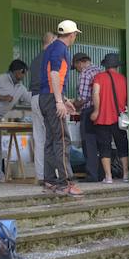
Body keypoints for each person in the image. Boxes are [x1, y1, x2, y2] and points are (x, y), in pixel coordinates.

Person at [39, 20, 83, 196]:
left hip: (45, 97)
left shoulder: (50, 47)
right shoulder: (60, 49)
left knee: (51, 139)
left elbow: (51, 75)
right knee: (63, 140)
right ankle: (66, 183)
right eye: (75, 35)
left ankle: (50, 180)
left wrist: (63, 98)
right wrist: (59, 101)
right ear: (72, 35)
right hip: (51, 99)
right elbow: (54, 74)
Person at [0, 60, 33, 182]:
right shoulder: (1, 79)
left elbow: (31, 99)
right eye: (23, 73)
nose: (24, 76)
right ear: (17, 71)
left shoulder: (21, 88)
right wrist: (0, 97)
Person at [90, 53, 129, 183]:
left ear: (105, 65)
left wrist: (96, 111)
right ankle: (126, 174)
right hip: (119, 119)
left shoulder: (99, 78)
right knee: (122, 146)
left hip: (102, 118)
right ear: (117, 66)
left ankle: (108, 177)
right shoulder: (123, 79)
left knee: (104, 147)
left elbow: (95, 93)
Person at [71, 51, 104, 182]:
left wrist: (73, 104)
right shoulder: (100, 71)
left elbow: (84, 98)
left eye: (76, 67)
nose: (77, 71)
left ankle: (92, 175)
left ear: (80, 63)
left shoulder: (85, 73)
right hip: (102, 111)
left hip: (89, 111)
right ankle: (101, 174)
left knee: (88, 144)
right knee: (100, 144)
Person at [29, 32, 57, 184]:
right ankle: (54, 175)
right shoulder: (51, 57)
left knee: (39, 138)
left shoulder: (34, 60)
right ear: (51, 41)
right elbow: (54, 79)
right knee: (53, 137)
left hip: (34, 97)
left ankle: (41, 176)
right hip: (47, 97)